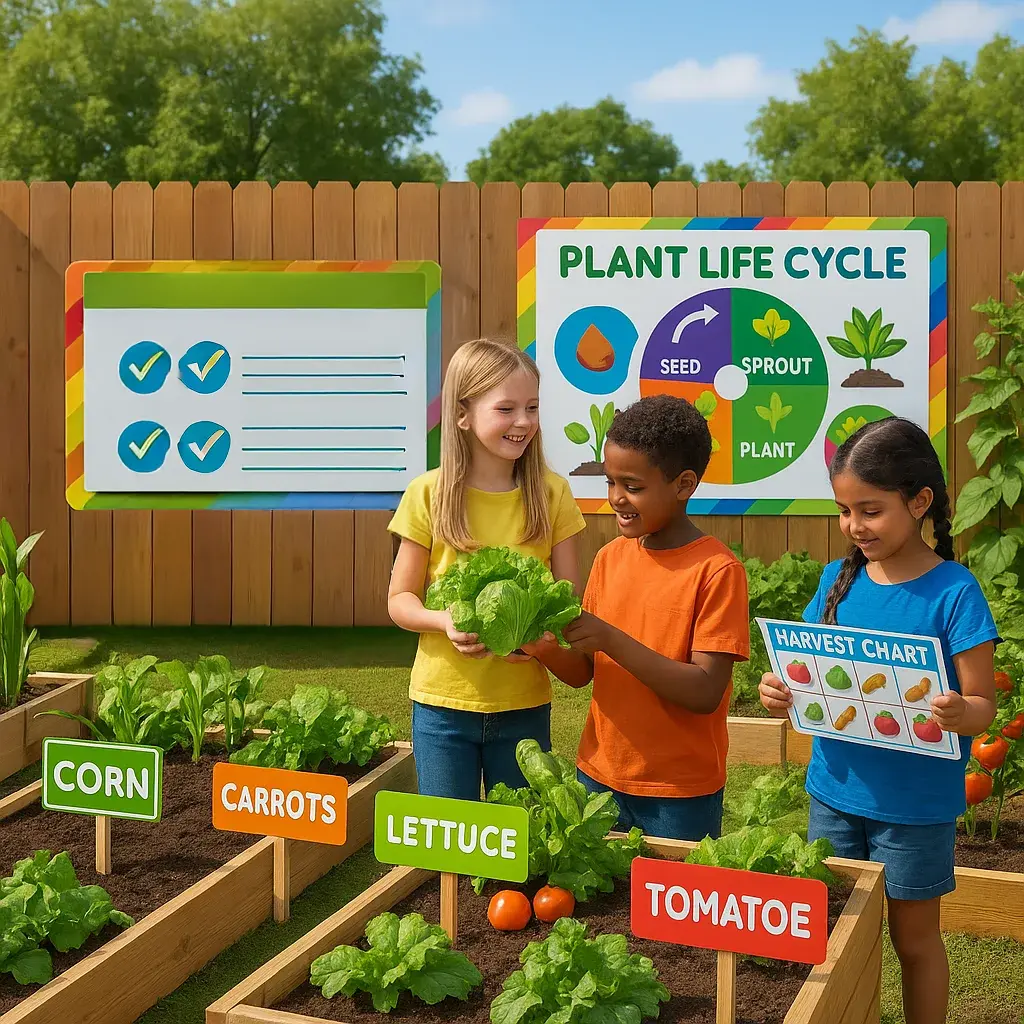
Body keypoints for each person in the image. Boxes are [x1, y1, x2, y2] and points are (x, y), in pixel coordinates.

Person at [758, 416, 998, 1024]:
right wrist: (779, 689)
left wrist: (957, 711)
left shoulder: (955, 592)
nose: (853, 527)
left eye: (870, 510)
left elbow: (982, 707)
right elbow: (803, 669)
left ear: (919, 502)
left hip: (915, 808)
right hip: (834, 794)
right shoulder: (837, 583)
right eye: (844, 511)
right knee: (830, 943)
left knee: (913, 942)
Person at [527, 394, 750, 841]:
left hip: (680, 792)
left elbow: (706, 690)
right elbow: (583, 673)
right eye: (610, 481)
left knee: (674, 911)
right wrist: (542, 647)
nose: (615, 498)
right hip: (598, 776)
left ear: (683, 484)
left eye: (632, 485)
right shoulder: (610, 558)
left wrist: (610, 638)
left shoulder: (717, 570)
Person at [387, 338, 585, 801]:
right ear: (462, 414)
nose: (523, 422)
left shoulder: (553, 495)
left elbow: (568, 602)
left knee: (520, 847)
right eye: (506, 409)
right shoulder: (427, 494)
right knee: (447, 843)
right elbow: (400, 601)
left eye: (532, 407)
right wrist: (443, 621)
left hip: (523, 705)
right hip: (441, 705)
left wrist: (540, 640)